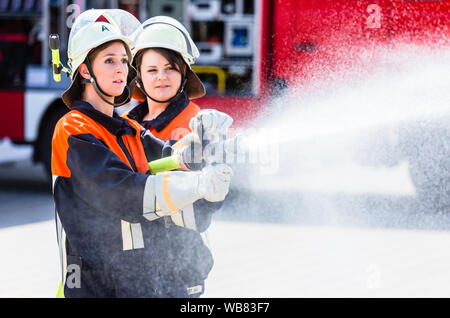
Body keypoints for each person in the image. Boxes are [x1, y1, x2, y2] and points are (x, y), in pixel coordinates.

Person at [52, 9, 233, 298]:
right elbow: (123, 193)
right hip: (96, 290)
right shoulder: (74, 129)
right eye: (110, 61)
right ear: (85, 70)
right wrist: (198, 184)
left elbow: (174, 162)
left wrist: (209, 144)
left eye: (124, 60)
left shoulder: (130, 131)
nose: (122, 69)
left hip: (140, 287)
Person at [123, 16, 231, 267]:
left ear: (183, 72)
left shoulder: (197, 123)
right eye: (152, 70)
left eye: (170, 68)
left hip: (179, 261)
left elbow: (207, 202)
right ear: (138, 75)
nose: (161, 77)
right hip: (135, 258)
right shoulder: (127, 124)